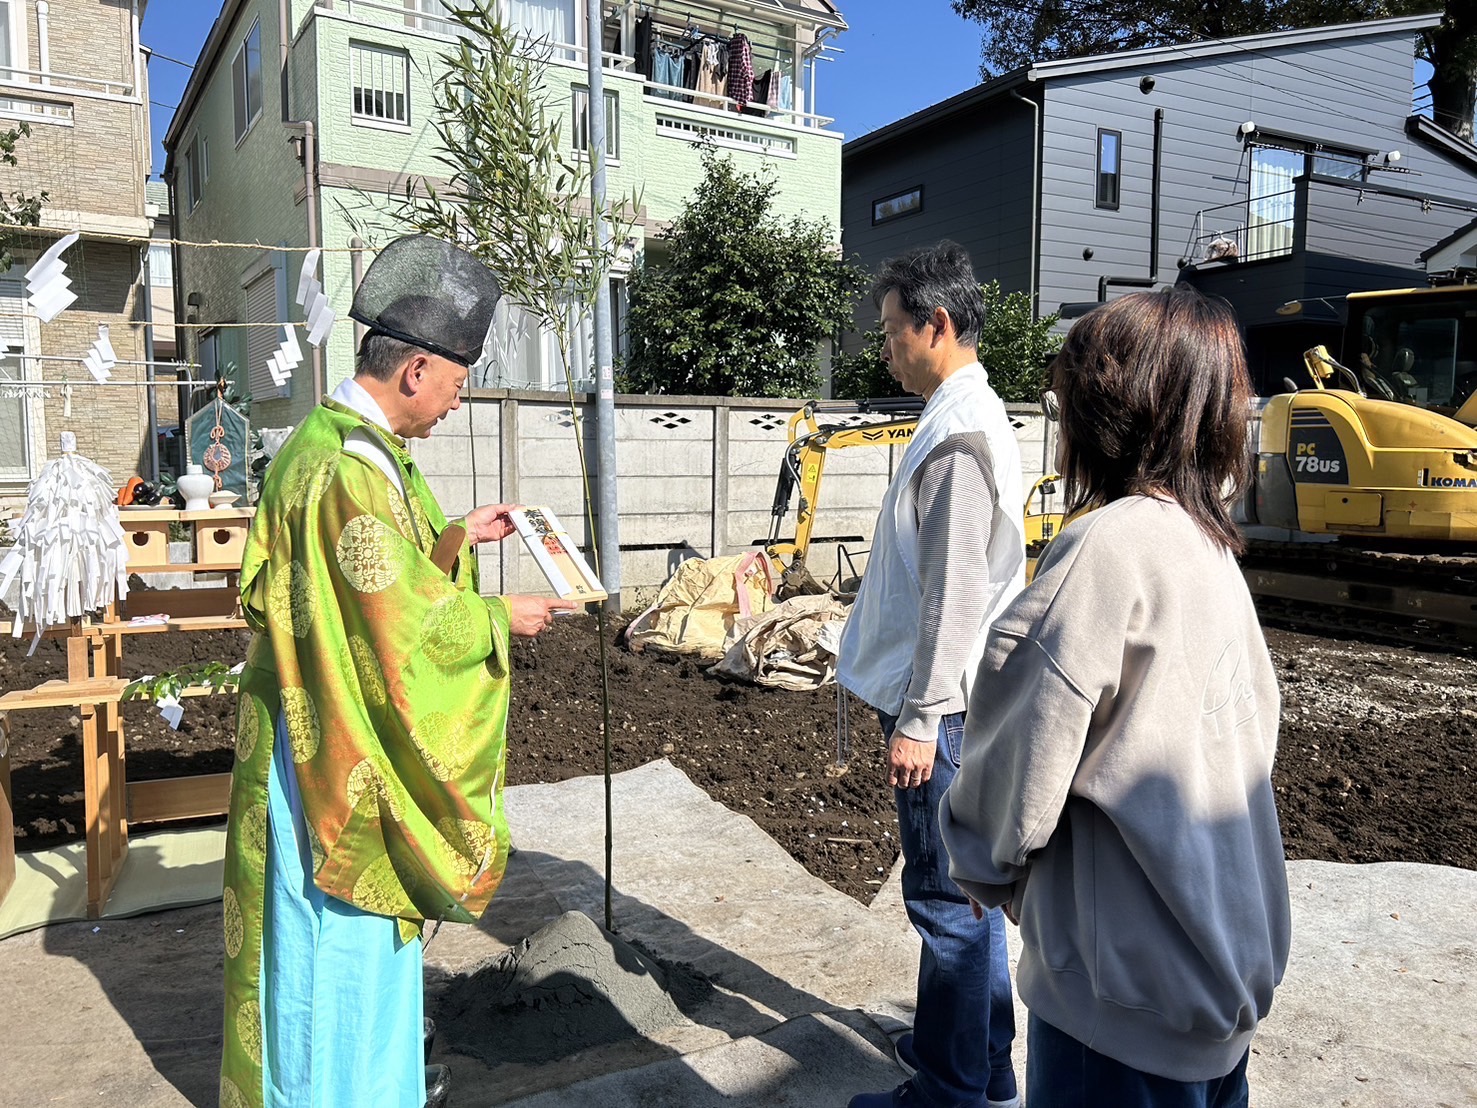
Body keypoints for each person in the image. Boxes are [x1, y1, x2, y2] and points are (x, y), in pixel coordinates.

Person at [219, 235, 576, 1108]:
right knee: (324, 961)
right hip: (328, 769)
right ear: (417, 368)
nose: (458, 402)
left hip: (319, 731)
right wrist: (499, 618)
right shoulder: (350, 468)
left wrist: (456, 537)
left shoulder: (336, 446)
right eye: (459, 381)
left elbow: (378, 585)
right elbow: (397, 635)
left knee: (342, 960)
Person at [939, 286, 1292, 1107]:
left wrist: (979, 861)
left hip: (1118, 999)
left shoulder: (1103, 547)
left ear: (1105, 410)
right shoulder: (1206, 544)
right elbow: (1255, 732)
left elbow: (1020, 750)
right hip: (1214, 976)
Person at [838, 241, 1025, 1108]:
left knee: (944, 899)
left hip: (940, 711)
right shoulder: (966, 415)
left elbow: (953, 594)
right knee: (965, 896)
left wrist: (917, 717)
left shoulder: (956, 438)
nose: (884, 349)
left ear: (935, 326)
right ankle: (980, 1056)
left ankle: (950, 1091)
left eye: (889, 333)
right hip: (954, 703)